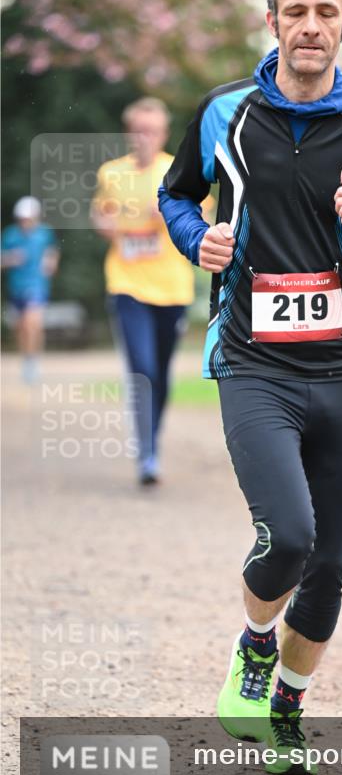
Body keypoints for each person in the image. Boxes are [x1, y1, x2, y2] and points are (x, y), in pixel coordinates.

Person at [158, 0, 342, 771]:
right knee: (290, 536)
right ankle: (252, 645)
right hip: (253, 359)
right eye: (294, 11)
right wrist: (192, 237)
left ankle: (286, 710)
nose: (309, 26)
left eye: (325, 12)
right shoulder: (223, 113)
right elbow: (176, 194)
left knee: (330, 566)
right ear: (270, 21)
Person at [92, 97, 201, 486]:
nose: (145, 138)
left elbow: (202, 219)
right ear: (128, 133)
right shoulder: (112, 173)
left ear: (163, 134)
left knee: (161, 372)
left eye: (152, 131)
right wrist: (104, 223)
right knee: (142, 367)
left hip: (172, 288)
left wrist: (172, 217)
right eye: (138, 131)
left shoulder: (178, 171)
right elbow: (100, 213)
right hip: (126, 283)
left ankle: (152, 439)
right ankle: (147, 452)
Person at [1, 196, 59, 383]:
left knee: (32, 323)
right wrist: (11, 258)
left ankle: (33, 360)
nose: (25, 222)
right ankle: (27, 358)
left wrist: (50, 263)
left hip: (37, 285)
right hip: (16, 286)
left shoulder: (44, 233)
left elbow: (52, 251)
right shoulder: (10, 235)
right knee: (20, 328)